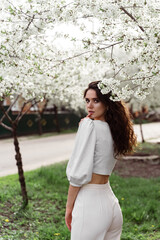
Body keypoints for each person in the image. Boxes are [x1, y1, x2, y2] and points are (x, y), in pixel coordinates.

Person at [65, 81, 137, 240]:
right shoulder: (115, 130)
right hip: (111, 204)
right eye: (87, 100)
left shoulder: (88, 126)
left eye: (96, 101)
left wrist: (69, 208)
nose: (90, 105)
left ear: (107, 103)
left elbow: (77, 175)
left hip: (90, 205)